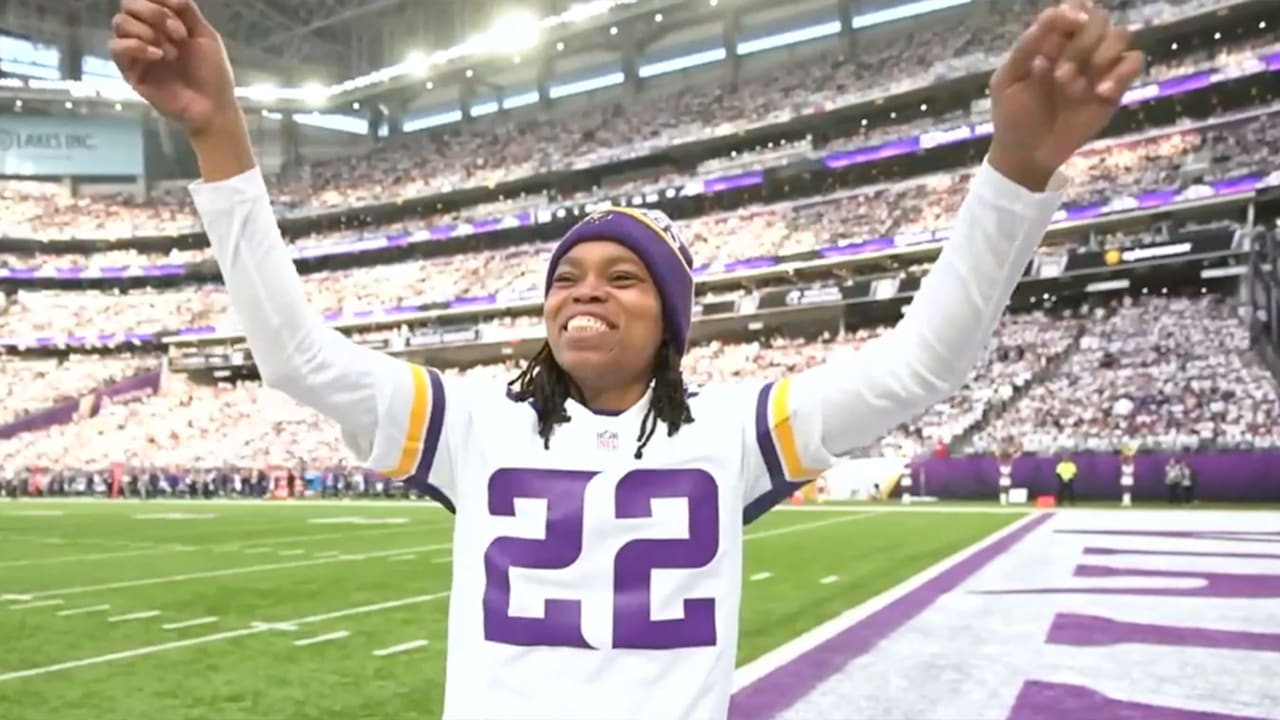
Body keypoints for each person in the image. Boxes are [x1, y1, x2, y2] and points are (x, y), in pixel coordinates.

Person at [109, 1, 1142, 718]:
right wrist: (221, 136)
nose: (585, 290)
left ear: (671, 323)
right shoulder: (472, 423)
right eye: (566, 276)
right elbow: (291, 354)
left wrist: (1016, 171)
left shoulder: (733, 431)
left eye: (623, 276)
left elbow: (921, 365)